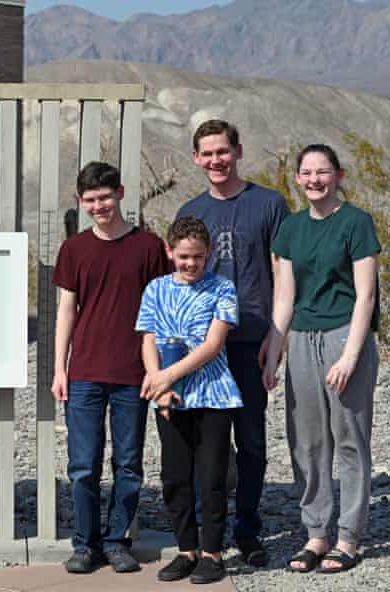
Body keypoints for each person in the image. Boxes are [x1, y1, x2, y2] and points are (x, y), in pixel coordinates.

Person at [262, 144, 380, 574]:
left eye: (323, 172)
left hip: (344, 336)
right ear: (297, 179)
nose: (315, 180)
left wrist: (350, 355)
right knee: (307, 441)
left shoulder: (356, 222)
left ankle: (349, 537)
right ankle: (316, 533)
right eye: (307, 173)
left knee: (349, 438)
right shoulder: (291, 228)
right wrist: (274, 352)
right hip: (302, 338)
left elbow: (366, 295)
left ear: (339, 176)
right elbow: (284, 297)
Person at [177, 119, 290, 566]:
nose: (216, 160)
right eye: (207, 153)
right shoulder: (192, 210)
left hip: (250, 340)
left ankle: (248, 529)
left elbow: (283, 274)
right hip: (204, 346)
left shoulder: (269, 204)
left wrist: (276, 339)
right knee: (208, 444)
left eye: (222, 151)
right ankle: (210, 534)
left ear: (238, 152)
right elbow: (182, 279)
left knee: (251, 441)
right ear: (196, 158)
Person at [51, 162, 170, 574]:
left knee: (129, 465)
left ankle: (118, 541)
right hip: (84, 372)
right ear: (80, 202)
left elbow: (158, 313)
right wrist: (60, 368)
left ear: (119, 193)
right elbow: (66, 311)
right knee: (83, 466)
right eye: (90, 200)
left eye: (105, 197)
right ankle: (86, 545)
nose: (99, 206)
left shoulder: (148, 247)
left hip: (133, 374)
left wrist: (157, 370)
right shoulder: (74, 249)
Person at [136, 216, 242, 585]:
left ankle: (212, 552)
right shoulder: (155, 289)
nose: (190, 263)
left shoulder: (222, 288)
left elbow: (213, 344)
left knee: (212, 476)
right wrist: (159, 383)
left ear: (208, 252)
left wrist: (168, 376)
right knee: (175, 476)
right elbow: (148, 340)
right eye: (183, 256)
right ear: (170, 252)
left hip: (212, 394)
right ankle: (186, 549)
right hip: (169, 396)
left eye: (197, 256)